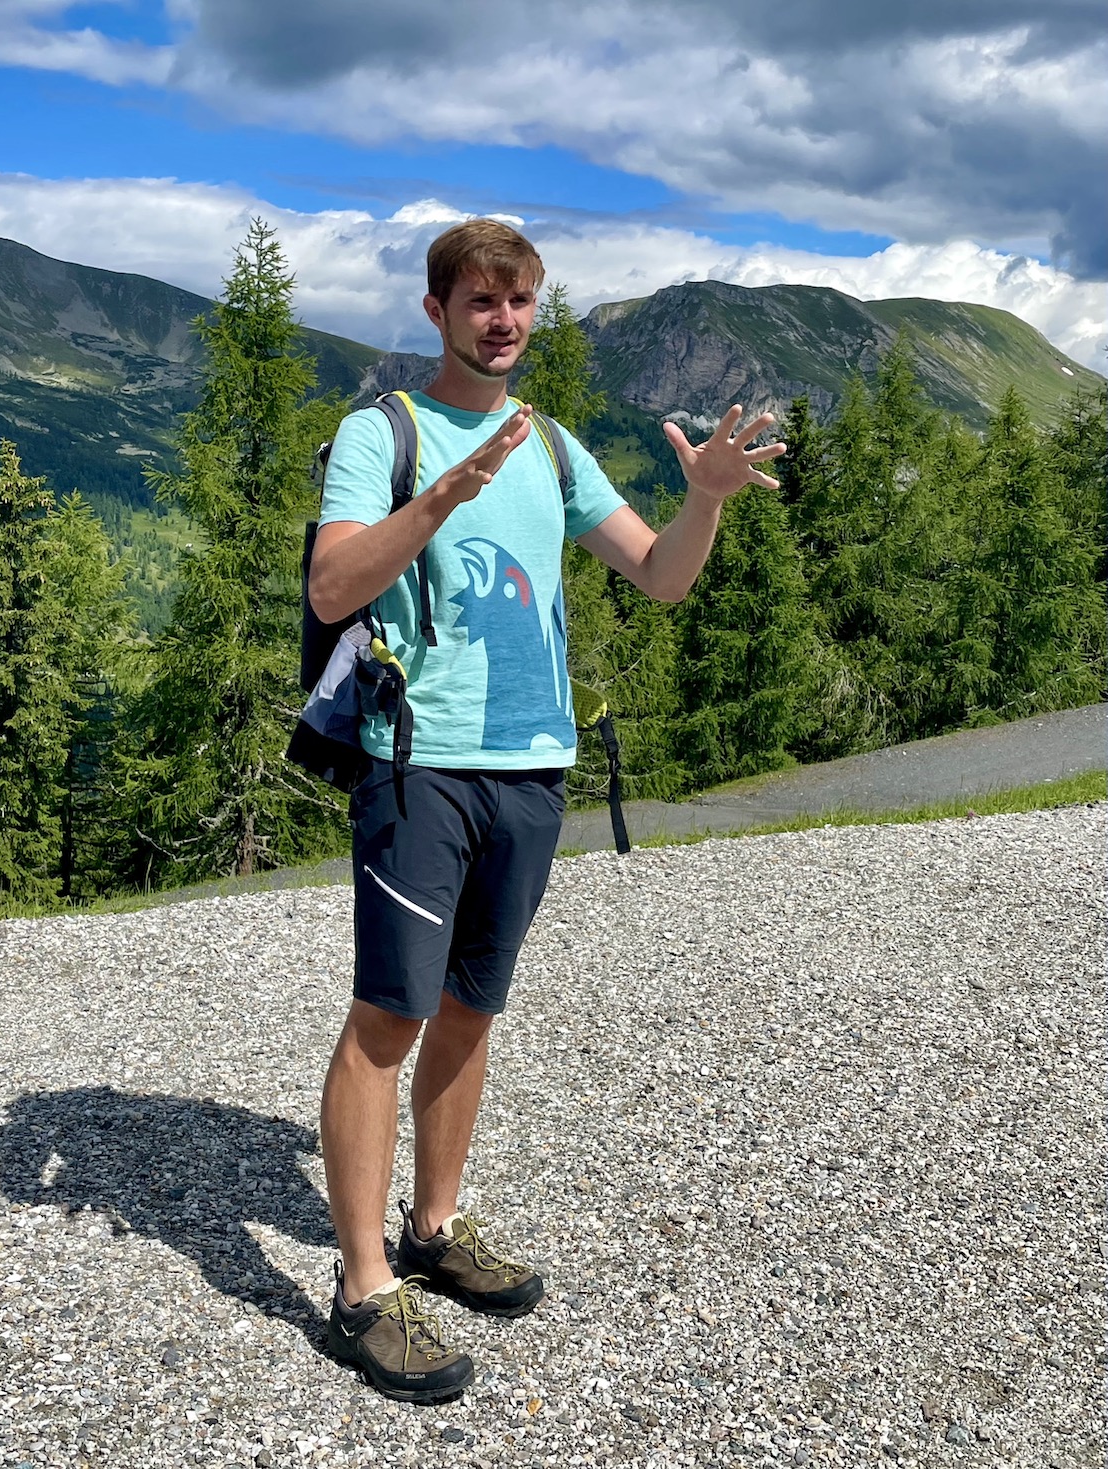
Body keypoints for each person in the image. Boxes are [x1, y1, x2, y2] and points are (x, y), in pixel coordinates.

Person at [309, 219, 785, 1403]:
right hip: (419, 764)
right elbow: (332, 583)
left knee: (472, 1005)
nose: (503, 320)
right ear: (437, 311)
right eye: (480, 301)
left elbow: (662, 575)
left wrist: (705, 498)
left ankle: (433, 1226)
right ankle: (362, 1289)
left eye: (519, 300)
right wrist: (441, 494)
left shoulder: (555, 446)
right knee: (389, 1015)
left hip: (532, 770)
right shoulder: (382, 433)